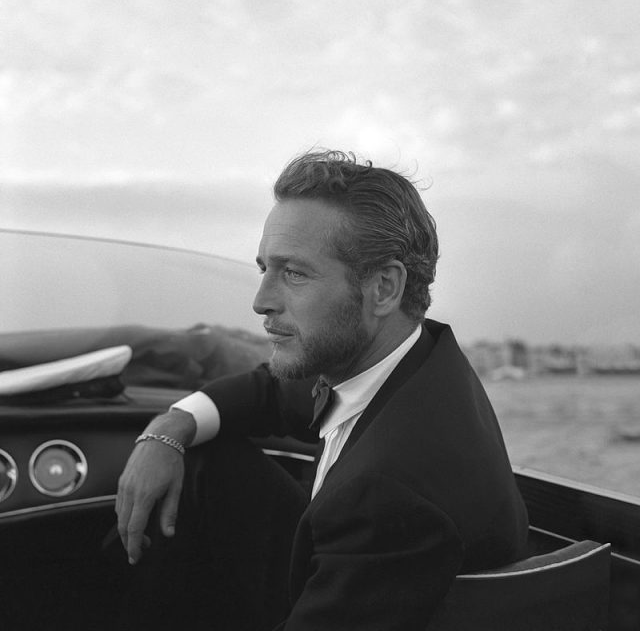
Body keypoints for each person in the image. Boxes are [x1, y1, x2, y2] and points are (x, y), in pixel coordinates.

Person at [116, 150, 529, 630]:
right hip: (341, 576)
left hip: (347, 588)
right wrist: (169, 430)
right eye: (264, 268)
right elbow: (267, 392)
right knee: (207, 461)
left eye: (294, 273)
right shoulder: (410, 358)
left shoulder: (387, 497)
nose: (261, 301)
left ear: (383, 288)